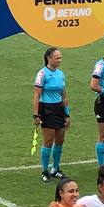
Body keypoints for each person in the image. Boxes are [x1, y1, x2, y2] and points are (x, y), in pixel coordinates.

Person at [33, 48, 70, 181]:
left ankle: (55, 168)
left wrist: (67, 114)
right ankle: (44, 170)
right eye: (57, 58)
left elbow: (64, 95)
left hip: (59, 108)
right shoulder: (42, 74)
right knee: (48, 141)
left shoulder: (61, 74)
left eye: (60, 57)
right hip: (47, 109)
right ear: (49, 58)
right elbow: (36, 96)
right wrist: (36, 115)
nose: (60, 60)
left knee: (60, 140)